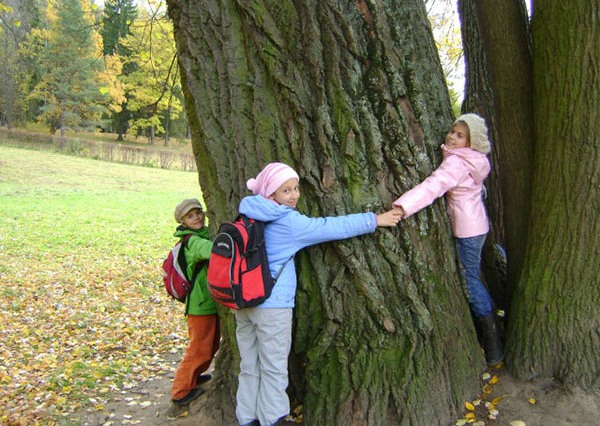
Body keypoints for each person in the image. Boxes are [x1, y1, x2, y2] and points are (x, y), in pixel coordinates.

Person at [235, 162, 402, 426]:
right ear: (270, 194)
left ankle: (247, 419)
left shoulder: (247, 214)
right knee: (273, 367)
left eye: (295, 188)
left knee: (249, 365)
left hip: (242, 302)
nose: (294, 195)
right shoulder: (287, 221)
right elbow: (329, 227)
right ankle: (273, 419)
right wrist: (374, 220)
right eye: (285, 191)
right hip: (272, 305)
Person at [392, 113, 503, 367]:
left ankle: (494, 344)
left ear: (471, 141)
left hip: (467, 229)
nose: (451, 137)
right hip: (478, 225)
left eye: (460, 135)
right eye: (452, 131)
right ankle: (495, 331)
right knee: (474, 277)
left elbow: (433, 186)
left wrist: (403, 206)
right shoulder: (475, 160)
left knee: (470, 282)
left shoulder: (457, 163)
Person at [169, 198, 220, 408]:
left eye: (198, 212)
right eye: (190, 216)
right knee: (199, 347)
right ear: (183, 221)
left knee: (211, 343)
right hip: (200, 305)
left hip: (207, 302)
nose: (197, 217)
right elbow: (213, 250)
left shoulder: (200, 234)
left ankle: (194, 376)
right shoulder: (193, 242)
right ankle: (180, 392)